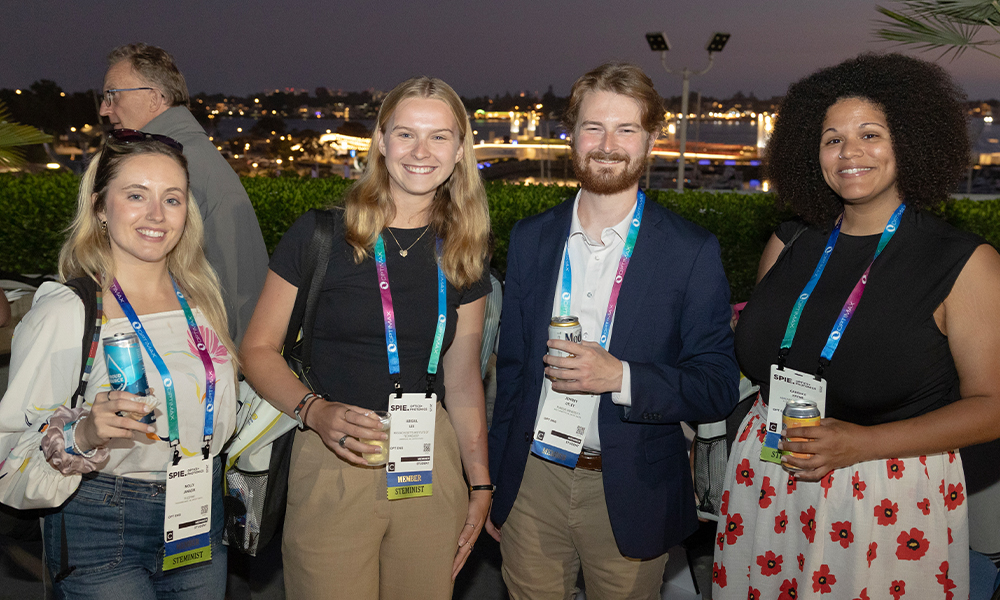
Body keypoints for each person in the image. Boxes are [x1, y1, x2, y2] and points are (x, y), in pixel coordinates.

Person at [713, 53, 1000, 599]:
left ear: (911, 142)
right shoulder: (790, 242)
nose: (850, 153)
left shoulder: (964, 262)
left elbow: (993, 406)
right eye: (832, 139)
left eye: (871, 134)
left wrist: (861, 443)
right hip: (769, 475)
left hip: (886, 492)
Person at [487, 62, 740, 600]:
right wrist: (493, 485)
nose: (608, 144)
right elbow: (509, 374)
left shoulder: (690, 251)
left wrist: (620, 376)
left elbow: (716, 384)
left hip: (630, 489)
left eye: (626, 129)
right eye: (593, 127)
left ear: (651, 140)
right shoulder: (531, 238)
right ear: (571, 136)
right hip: (531, 480)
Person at [240, 76, 492, 599]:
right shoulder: (321, 235)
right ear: (381, 142)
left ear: (461, 149)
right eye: (405, 134)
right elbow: (257, 350)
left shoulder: (465, 252)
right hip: (335, 451)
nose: (421, 152)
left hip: (431, 459)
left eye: (439, 137)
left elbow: (464, 380)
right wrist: (313, 410)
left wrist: (479, 482)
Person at [0, 130, 239, 598]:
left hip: (198, 516)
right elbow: (10, 453)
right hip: (103, 524)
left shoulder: (202, 301)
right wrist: (83, 434)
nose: (156, 214)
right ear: (99, 207)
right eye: (136, 195)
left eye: (172, 198)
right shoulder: (69, 311)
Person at [100, 43, 268, 345]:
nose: (105, 108)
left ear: (154, 97)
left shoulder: (172, 164)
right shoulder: (190, 154)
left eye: (112, 95)